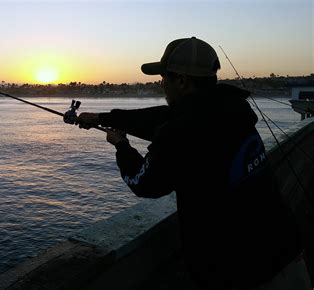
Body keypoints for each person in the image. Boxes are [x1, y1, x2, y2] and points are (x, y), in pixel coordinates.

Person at [76, 37, 311, 289]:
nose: (161, 82)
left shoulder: (181, 132)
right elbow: (161, 118)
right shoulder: (231, 108)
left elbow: (145, 184)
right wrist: (103, 117)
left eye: (164, 76)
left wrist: (121, 146)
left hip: (240, 273)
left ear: (182, 80)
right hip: (287, 252)